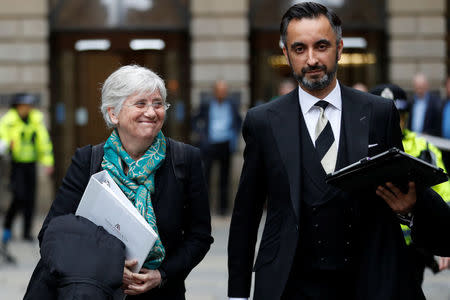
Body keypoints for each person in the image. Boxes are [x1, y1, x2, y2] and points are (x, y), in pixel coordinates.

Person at [227, 3, 446, 300]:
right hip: (291, 282)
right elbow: (246, 214)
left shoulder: (379, 112)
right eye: (300, 48)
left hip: (366, 280)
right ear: (286, 54)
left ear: (340, 48)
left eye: (321, 46)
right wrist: (237, 294)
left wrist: (412, 211)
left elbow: (403, 184)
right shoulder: (262, 121)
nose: (312, 59)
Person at [24, 65, 213, 299]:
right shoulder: (88, 160)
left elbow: (200, 236)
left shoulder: (186, 160)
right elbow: (50, 234)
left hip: (163, 293)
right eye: (141, 103)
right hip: (98, 290)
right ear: (113, 114)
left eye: (158, 103)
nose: (152, 112)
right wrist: (108, 268)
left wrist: (162, 275)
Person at [370, 83, 450, 283]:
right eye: (386, 116)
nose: (395, 122)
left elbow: (444, 193)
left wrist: (445, 234)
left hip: (414, 246)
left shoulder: (424, 148)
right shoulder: (359, 147)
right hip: (371, 246)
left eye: (399, 116)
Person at [0, 93, 54, 243]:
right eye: (23, 106)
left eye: (29, 106)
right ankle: (7, 226)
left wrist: (47, 162)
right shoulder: (8, 121)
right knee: (19, 196)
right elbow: (3, 138)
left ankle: (26, 232)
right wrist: (5, 146)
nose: (26, 109)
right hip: (15, 165)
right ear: (17, 107)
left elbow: (44, 143)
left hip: (31, 164)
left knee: (30, 199)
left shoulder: (36, 120)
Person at [192, 80, 242, 215]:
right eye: (219, 90)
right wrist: (201, 135)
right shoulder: (207, 104)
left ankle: (223, 209)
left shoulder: (232, 104)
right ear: (215, 91)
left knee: (224, 178)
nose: (222, 93)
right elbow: (195, 119)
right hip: (209, 145)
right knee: (206, 177)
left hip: (225, 144)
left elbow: (238, 120)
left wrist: (234, 135)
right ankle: (205, 208)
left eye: (224, 90)